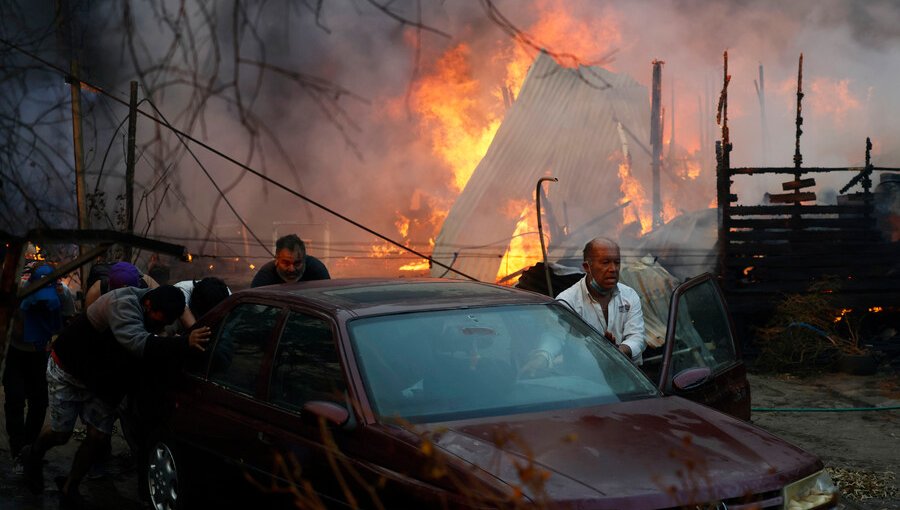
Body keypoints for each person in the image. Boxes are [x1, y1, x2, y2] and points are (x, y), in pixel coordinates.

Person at [21, 285, 210, 506]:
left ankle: (70, 486)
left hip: (104, 381)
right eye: (162, 319)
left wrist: (197, 330)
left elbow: (180, 311)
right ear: (148, 305)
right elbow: (138, 343)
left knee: (98, 437)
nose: (164, 324)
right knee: (61, 432)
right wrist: (183, 342)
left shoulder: (157, 298)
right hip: (70, 370)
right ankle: (33, 454)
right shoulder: (122, 304)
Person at [3, 264, 62, 472]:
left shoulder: (62, 295)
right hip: (15, 352)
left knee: (39, 402)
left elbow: (66, 323)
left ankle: (29, 448)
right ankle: (18, 450)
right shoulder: (18, 294)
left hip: (40, 354)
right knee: (15, 399)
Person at [555, 237, 646, 365]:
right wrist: (541, 357)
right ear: (587, 266)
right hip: (585, 378)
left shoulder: (629, 296)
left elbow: (637, 337)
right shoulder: (567, 301)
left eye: (617, 262)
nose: (613, 269)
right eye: (605, 262)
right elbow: (554, 338)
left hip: (624, 376)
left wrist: (619, 351)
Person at [251, 234, 329, 287]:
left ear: (304, 259)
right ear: (276, 259)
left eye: (297, 263)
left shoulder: (317, 270)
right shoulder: (266, 275)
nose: (291, 269)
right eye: (286, 263)